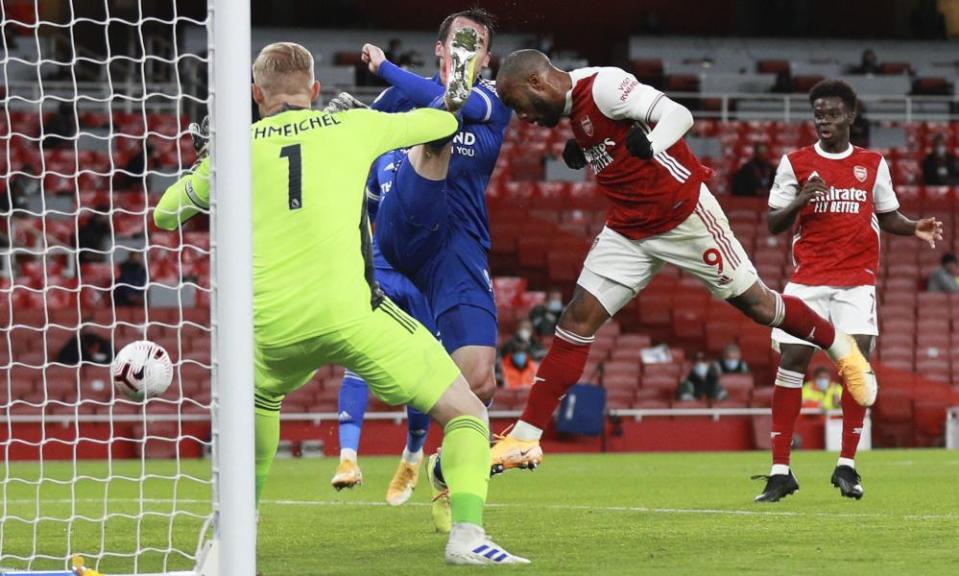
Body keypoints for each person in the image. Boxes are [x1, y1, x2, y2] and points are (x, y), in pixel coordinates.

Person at [153, 42, 526, 565]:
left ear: (256, 95)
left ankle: (235, 537)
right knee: (465, 410)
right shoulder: (353, 128)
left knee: (257, 405)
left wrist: (211, 161)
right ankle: (466, 534)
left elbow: (165, 217)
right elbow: (441, 127)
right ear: (314, 90)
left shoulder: (236, 151)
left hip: (271, 325)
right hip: (351, 313)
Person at [487, 49, 877, 474]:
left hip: (684, 217)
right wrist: (590, 149)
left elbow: (678, 114)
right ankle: (525, 437)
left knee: (760, 305)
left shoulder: (603, 85)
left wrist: (651, 143)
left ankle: (842, 347)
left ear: (536, 83)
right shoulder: (570, 106)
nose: (521, 118)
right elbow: (610, 138)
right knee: (576, 319)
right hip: (628, 230)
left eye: (518, 105)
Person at [352, 8, 511, 530]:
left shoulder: (493, 101)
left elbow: (453, 99)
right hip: (400, 230)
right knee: (438, 126)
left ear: (485, 59)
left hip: (457, 245)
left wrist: (383, 66)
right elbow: (355, 146)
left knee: (480, 382)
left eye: (478, 43)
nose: (468, 49)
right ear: (441, 49)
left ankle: (444, 468)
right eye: (460, 40)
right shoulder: (397, 99)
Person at [757, 78, 942, 503]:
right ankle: (780, 470)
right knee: (793, 362)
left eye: (833, 113)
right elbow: (773, 223)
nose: (825, 120)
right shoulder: (796, 163)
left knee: (854, 365)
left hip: (856, 282)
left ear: (851, 116)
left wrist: (914, 227)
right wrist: (802, 198)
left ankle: (847, 466)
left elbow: (888, 215)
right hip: (807, 281)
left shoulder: (873, 163)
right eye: (819, 113)